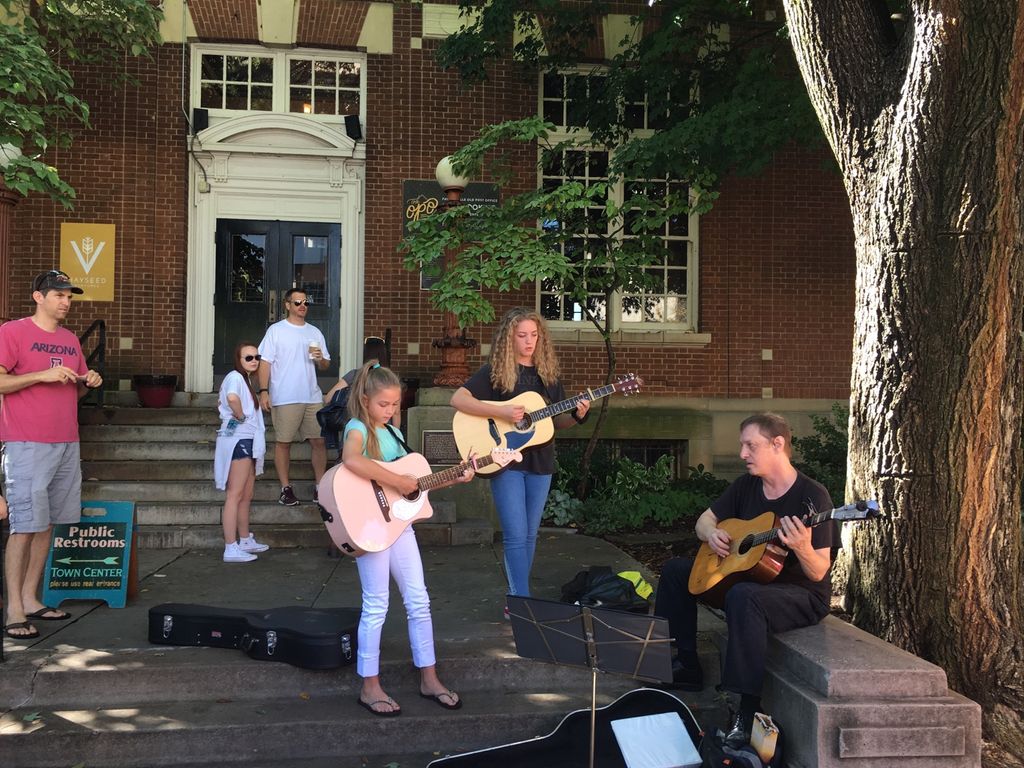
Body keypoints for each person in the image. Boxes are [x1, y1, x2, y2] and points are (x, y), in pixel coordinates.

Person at [654, 412, 835, 747]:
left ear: (777, 444)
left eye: (750, 445)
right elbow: (703, 520)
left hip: (799, 595)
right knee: (677, 571)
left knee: (744, 596)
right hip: (750, 582)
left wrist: (802, 546)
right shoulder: (746, 486)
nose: (742, 454)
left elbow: (818, 571)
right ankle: (684, 664)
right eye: (742, 446)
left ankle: (747, 709)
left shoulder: (813, 497)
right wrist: (712, 534)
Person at [343, 361, 472, 717]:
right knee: (377, 604)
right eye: (384, 405)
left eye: (395, 405)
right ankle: (370, 687)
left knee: (419, 600)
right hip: (371, 527)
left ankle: (429, 678)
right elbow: (351, 460)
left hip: (401, 526)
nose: (390, 410)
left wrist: (456, 477)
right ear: (366, 400)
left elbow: (416, 483)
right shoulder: (357, 428)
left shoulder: (395, 434)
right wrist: (396, 481)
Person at [449, 307, 590, 609]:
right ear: (508, 338)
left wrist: (577, 417)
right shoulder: (497, 373)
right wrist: (500, 412)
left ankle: (517, 599)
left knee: (530, 535)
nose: (529, 342)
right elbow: (458, 399)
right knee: (515, 535)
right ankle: (523, 604)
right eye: (522, 335)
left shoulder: (548, 376)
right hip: (505, 461)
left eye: (534, 335)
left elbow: (553, 423)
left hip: (541, 461)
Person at [0, 270, 103, 640]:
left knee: (48, 524)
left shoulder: (71, 340)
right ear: (37, 297)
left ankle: (31, 598)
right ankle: (13, 609)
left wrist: (88, 381)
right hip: (26, 443)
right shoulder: (13, 332)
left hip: (66, 442)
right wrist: (40, 376)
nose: (65, 302)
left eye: (69, 297)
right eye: (58, 295)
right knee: (24, 526)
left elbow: (70, 392)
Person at [257, 288, 330, 507]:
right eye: (297, 302)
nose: (302, 306)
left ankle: (320, 488)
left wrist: (320, 359)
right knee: (284, 442)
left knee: (319, 441)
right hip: (285, 395)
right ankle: (285, 489)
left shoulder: (314, 332)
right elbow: (265, 362)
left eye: (305, 302)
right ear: (287, 305)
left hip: (312, 395)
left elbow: (326, 364)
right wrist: (263, 391)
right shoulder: (276, 331)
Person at [215, 342, 269, 563]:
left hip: (247, 439)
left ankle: (244, 539)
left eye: (257, 356)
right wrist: (240, 416)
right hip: (239, 440)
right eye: (248, 357)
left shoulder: (245, 379)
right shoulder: (235, 377)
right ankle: (230, 546)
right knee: (235, 495)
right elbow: (232, 398)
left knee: (246, 495)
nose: (254, 360)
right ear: (239, 359)